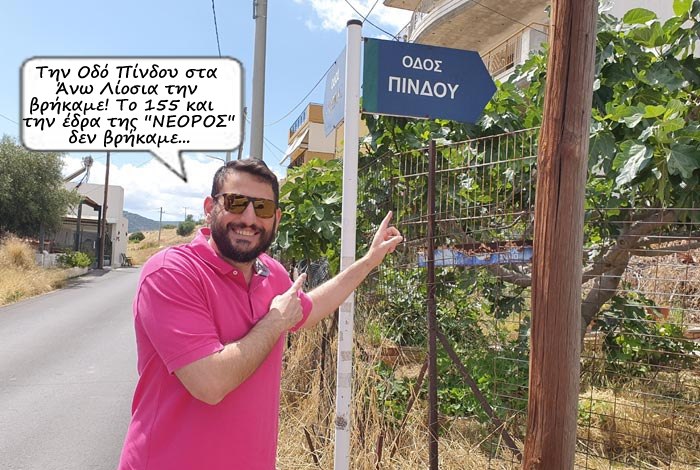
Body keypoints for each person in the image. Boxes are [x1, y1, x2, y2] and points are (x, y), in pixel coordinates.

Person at [118, 159, 402, 470]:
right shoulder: (172, 273)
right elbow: (210, 384)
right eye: (236, 202)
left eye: (263, 208)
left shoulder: (270, 271)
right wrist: (274, 322)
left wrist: (369, 261)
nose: (249, 218)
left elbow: (310, 308)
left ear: (276, 218)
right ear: (210, 207)